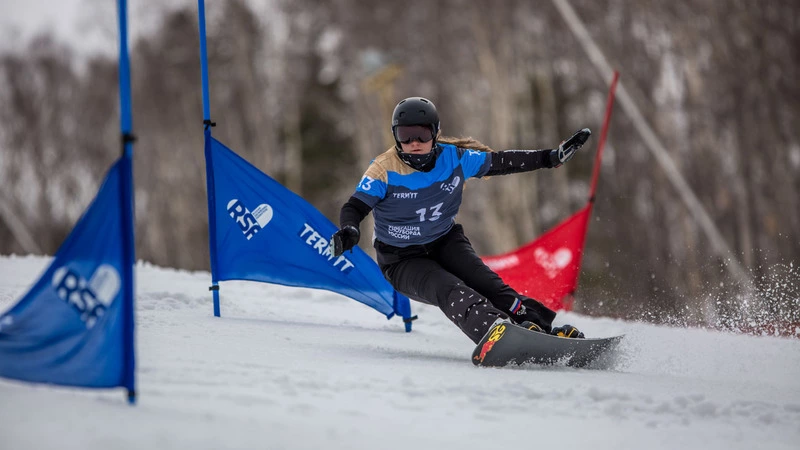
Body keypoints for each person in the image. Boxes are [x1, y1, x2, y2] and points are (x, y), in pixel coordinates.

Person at [331, 96, 589, 344]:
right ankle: (496, 331)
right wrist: (350, 228)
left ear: (436, 132)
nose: (414, 142)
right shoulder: (383, 169)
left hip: (444, 242)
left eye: (422, 133)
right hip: (401, 259)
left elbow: (501, 161)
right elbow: (355, 206)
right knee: (448, 288)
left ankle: (540, 328)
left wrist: (550, 157)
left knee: (488, 285)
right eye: (405, 135)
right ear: (395, 136)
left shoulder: (454, 158)